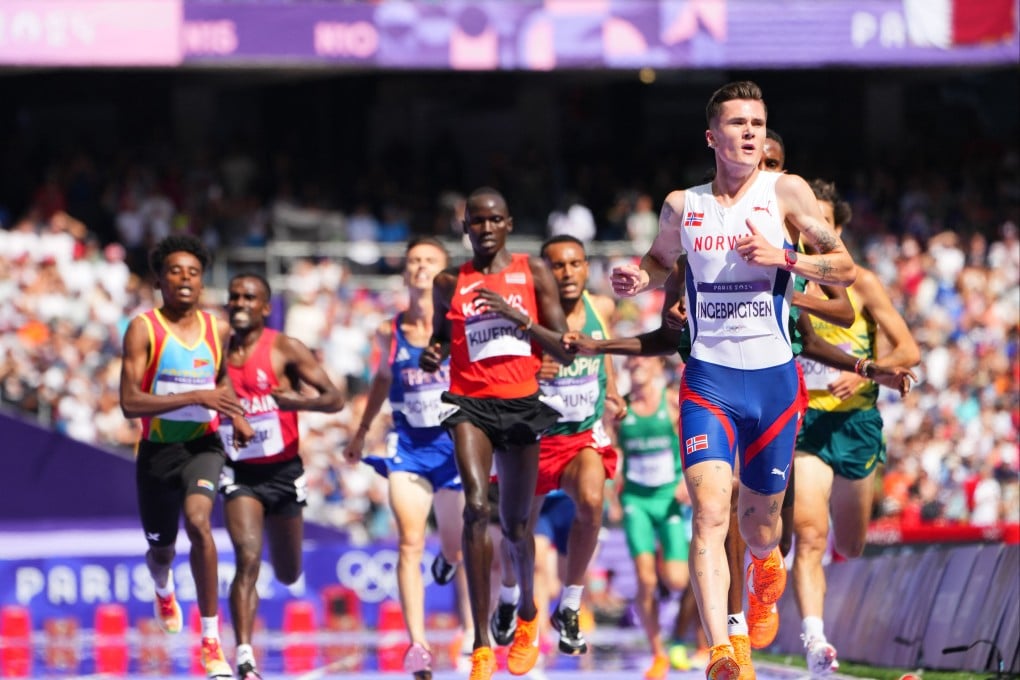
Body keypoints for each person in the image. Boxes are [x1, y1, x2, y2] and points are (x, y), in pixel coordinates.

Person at [608, 81, 858, 677]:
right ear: (712, 136)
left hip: (773, 383)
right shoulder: (682, 205)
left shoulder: (786, 191)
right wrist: (637, 279)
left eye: (758, 123)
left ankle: (765, 559)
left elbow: (845, 269)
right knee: (710, 514)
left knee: (761, 524)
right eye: (738, 122)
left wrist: (787, 258)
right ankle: (721, 648)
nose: (750, 132)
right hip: (709, 382)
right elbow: (659, 259)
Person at [419, 187, 576, 680]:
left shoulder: (535, 274)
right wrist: (433, 352)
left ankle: (527, 613)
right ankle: (482, 645)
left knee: (516, 528)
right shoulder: (450, 282)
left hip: (522, 406)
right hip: (469, 404)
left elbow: (566, 349)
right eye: (476, 222)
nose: (485, 229)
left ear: (508, 224)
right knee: (476, 508)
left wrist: (518, 317)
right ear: (464, 228)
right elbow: (441, 337)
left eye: (494, 221)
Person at [791, 180, 921, 675]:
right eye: (804, 222)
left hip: (857, 424)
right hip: (808, 422)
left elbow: (908, 351)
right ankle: (815, 642)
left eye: (821, 223)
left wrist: (863, 366)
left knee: (849, 544)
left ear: (838, 230)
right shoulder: (789, 276)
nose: (810, 231)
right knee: (809, 532)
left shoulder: (862, 283)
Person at [119, 234, 254, 680]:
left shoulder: (217, 328)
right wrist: (194, 395)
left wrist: (238, 416)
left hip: (203, 445)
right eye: (175, 271)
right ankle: (163, 586)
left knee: (199, 522)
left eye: (193, 272)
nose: (185, 279)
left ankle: (212, 641)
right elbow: (130, 402)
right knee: (162, 548)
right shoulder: (144, 328)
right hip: (159, 451)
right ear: (159, 279)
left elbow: (221, 382)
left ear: (202, 281)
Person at [342, 237, 472, 680]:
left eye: (429, 261)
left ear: (445, 272)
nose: (419, 267)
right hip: (409, 447)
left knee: (455, 545)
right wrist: (361, 433)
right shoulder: (388, 330)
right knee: (409, 542)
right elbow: (381, 380)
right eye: (413, 260)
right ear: (404, 271)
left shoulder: (461, 325)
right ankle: (418, 645)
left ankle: (450, 562)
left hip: (456, 451)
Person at [489, 235, 623, 659]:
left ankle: (568, 605)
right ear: (542, 272)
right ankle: (515, 598)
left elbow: (604, 356)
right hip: (530, 439)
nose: (567, 274)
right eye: (558, 266)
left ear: (586, 267)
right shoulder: (525, 315)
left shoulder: (601, 308)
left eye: (575, 264)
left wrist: (614, 394)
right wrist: (532, 365)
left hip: (580, 435)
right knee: (516, 534)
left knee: (591, 499)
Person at [220, 273, 345, 680]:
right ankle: (244, 657)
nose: (240, 302)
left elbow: (334, 398)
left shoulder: (285, 348)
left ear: (265, 307)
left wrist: (296, 401)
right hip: (239, 472)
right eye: (234, 296)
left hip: (285, 472)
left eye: (249, 297)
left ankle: (279, 558)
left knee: (288, 572)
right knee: (247, 557)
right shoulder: (215, 349)